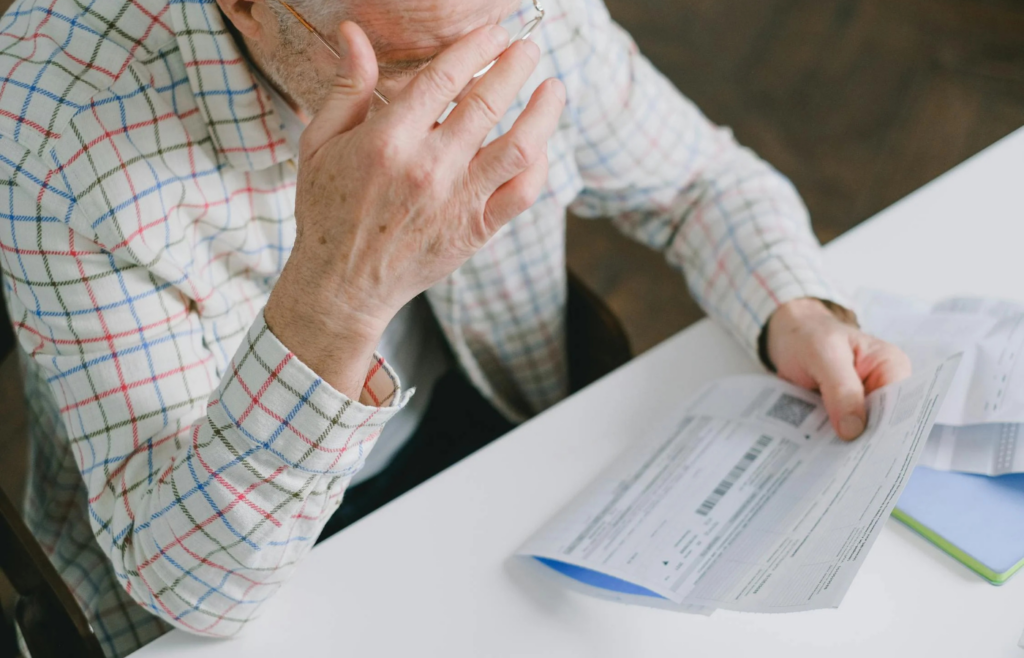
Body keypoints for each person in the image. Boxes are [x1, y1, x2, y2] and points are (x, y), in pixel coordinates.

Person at [0, 0, 910, 655]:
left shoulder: (503, 18)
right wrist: (339, 293)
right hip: (216, 570)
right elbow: (188, 586)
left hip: (489, 434)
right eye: (411, 72)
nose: (475, 101)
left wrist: (795, 309)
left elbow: (703, 182)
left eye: (495, 47)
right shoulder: (59, 127)